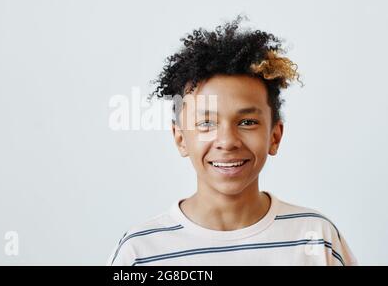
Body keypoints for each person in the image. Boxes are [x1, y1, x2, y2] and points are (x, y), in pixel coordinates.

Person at [107, 15, 357, 266]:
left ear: (275, 136)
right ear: (180, 138)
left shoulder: (316, 239)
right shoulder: (140, 252)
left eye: (247, 122)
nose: (227, 142)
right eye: (206, 123)